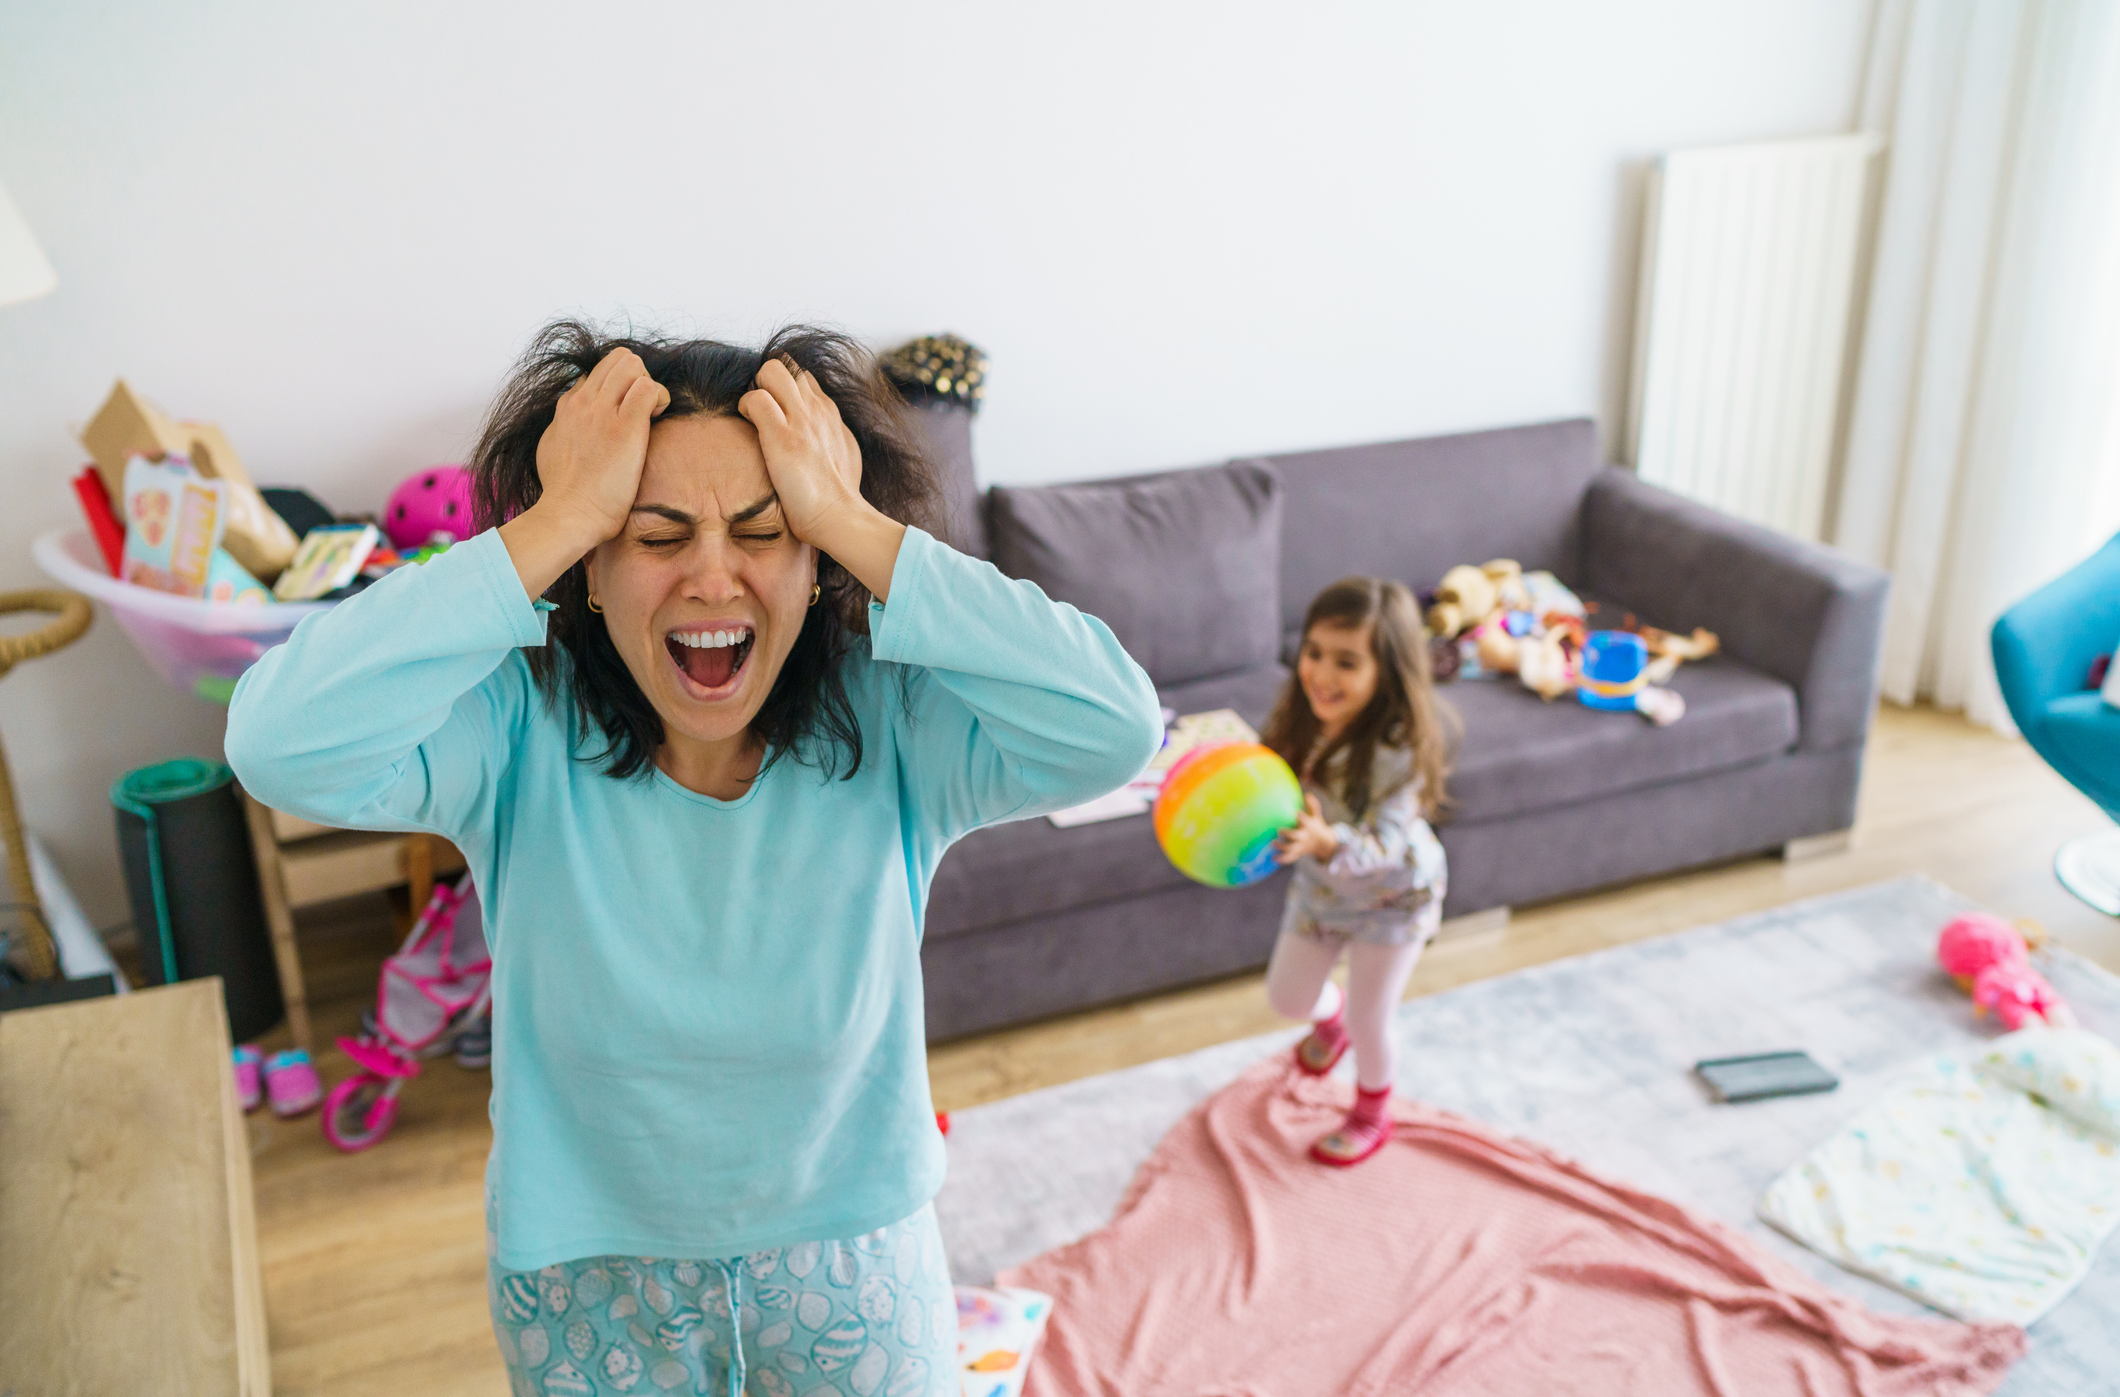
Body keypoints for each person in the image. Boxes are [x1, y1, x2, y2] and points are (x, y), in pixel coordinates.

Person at [224, 322, 1162, 1395]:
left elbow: (1114, 726)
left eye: (765, 531)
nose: (712, 576)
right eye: (655, 533)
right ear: (588, 570)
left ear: (814, 560)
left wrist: (853, 521)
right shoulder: (516, 724)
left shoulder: (895, 719)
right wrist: (559, 518)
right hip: (586, 1275)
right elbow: (275, 743)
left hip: (850, 1257)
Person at [1260, 576, 1458, 1167]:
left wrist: (1326, 841)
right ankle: (1332, 1021)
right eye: (1314, 654)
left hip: (1394, 900)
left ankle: (1372, 1113)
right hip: (1322, 891)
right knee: (1289, 999)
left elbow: (1383, 846)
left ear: (1386, 673)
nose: (1321, 674)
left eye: (1346, 662)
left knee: (1375, 1021)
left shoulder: (1400, 751)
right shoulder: (1302, 718)